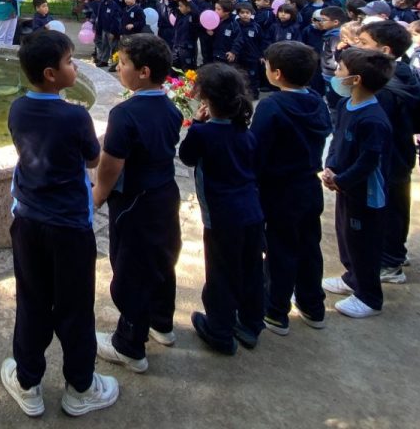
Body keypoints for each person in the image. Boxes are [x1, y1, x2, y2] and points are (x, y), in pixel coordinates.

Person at [2, 30, 118, 417]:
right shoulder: (75, 115)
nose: (75, 66)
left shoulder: (17, 109)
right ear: (52, 74)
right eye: (70, 62)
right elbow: (90, 159)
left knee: (31, 301)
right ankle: (80, 388)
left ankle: (28, 382)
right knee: (75, 306)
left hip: (28, 222)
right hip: (70, 227)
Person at [93, 34, 183, 372]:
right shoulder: (171, 106)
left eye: (124, 64)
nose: (118, 68)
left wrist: (98, 196)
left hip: (134, 202)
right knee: (162, 258)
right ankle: (162, 323)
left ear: (143, 71)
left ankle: (129, 345)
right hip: (164, 194)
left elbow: (111, 164)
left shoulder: (125, 114)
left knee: (131, 268)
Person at [179, 64, 264, 354]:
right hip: (252, 212)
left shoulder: (204, 133)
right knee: (251, 269)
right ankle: (250, 324)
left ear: (206, 99)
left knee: (220, 273)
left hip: (222, 217)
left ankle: (219, 331)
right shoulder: (246, 132)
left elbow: (187, 157)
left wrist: (197, 123)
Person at [251, 42, 332, 335]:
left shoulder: (272, 106)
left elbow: (256, 149)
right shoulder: (316, 101)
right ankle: (313, 306)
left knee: (280, 248)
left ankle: (275, 310)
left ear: (278, 73)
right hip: (309, 185)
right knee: (310, 245)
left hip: (279, 189)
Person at [321, 48, 394, 318]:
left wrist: (341, 180)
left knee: (364, 242)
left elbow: (369, 162)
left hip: (366, 192)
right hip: (344, 187)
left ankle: (369, 296)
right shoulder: (345, 104)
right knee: (345, 233)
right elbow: (337, 140)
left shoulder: (374, 119)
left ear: (356, 79)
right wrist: (331, 167)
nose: (336, 73)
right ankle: (352, 277)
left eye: (340, 69)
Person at [355, 21, 420, 282]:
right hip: (397, 155)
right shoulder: (400, 72)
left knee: (389, 207)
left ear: (384, 49)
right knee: (395, 203)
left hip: (389, 157)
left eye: (363, 44)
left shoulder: (387, 87)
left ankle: (390, 262)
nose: (356, 47)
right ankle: (394, 252)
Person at [227, 2, 265, 98]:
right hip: (238, 56)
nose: (245, 15)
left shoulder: (256, 27)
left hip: (252, 57)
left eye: (247, 12)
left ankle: (253, 94)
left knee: (253, 77)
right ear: (238, 14)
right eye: (242, 12)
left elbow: (261, 42)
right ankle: (240, 94)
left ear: (251, 13)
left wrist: (262, 55)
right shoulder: (234, 25)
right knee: (238, 75)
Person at [94, 0, 122, 68]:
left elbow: (116, 20)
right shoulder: (102, 4)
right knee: (105, 46)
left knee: (114, 47)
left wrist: (113, 32)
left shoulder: (114, 6)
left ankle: (115, 63)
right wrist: (98, 29)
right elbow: (100, 17)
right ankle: (104, 60)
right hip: (104, 29)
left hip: (112, 31)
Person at [171, 0, 197, 71]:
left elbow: (197, 14)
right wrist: (174, 1)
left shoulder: (192, 17)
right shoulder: (180, 16)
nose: (179, 8)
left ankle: (188, 83)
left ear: (189, 8)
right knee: (173, 68)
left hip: (187, 48)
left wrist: (190, 1)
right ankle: (174, 82)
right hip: (177, 46)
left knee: (188, 70)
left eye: (181, 6)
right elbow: (173, 10)